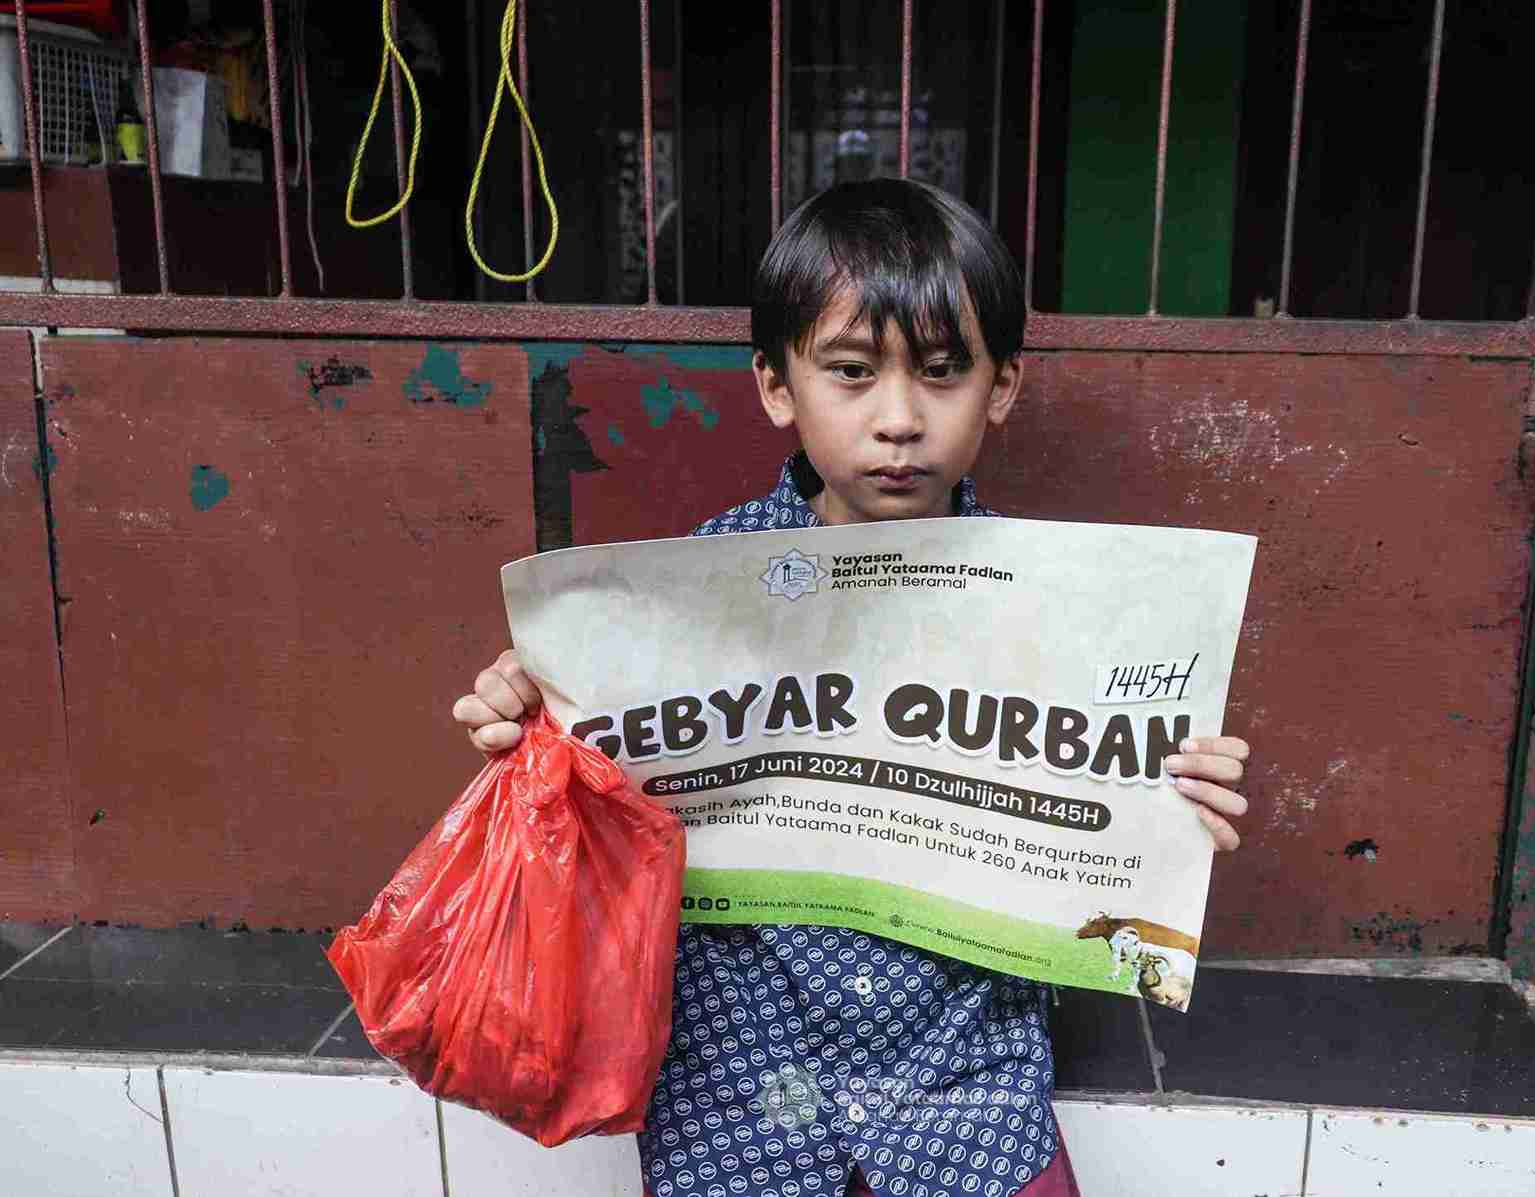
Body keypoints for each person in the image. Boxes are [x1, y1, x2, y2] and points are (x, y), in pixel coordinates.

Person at [452, 178, 1251, 1197]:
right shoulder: (684, 598)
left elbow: (1118, 864)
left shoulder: (1065, 618)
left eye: (943, 371)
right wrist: (531, 727)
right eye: (851, 372)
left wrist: (1172, 809)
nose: (899, 420)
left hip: (969, 1101)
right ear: (777, 386)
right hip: (741, 1101)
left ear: (1002, 385)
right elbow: (594, 816)